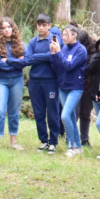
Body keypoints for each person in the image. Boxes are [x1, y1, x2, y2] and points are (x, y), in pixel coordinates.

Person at [26, 14, 63, 153]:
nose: (41, 27)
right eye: (39, 25)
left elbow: (54, 55)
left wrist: (37, 56)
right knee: (39, 113)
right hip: (35, 81)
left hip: (50, 81)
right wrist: (45, 56)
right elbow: (28, 59)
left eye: (44, 25)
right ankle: (43, 141)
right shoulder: (32, 42)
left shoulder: (54, 39)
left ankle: (53, 141)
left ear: (49, 25)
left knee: (52, 112)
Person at [0, 17, 27, 150]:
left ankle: (14, 141)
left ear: (13, 28)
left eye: (9, 27)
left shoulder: (21, 44)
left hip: (17, 81)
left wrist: (7, 61)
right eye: (3, 28)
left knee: (14, 111)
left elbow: (25, 62)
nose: (7, 30)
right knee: (0, 109)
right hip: (0, 81)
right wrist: (15, 63)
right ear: (0, 30)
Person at [49, 26, 88, 157]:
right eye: (62, 35)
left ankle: (70, 146)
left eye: (66, 35)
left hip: (75, 87)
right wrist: (54, 54)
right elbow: (57, 67)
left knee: (65, 116)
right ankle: (78, 147)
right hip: (63, 86)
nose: (63, 37)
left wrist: (59, 52)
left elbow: (69, 66)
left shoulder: (81, 50)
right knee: (70, 116)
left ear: (74, 35)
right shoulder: (64, 48)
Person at [75, 27, 96, 148]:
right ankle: (71, 136)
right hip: (75, 85)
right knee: (75, 112)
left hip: (88, 85)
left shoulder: (93, 50)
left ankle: (84, 138)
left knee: (85, 113)